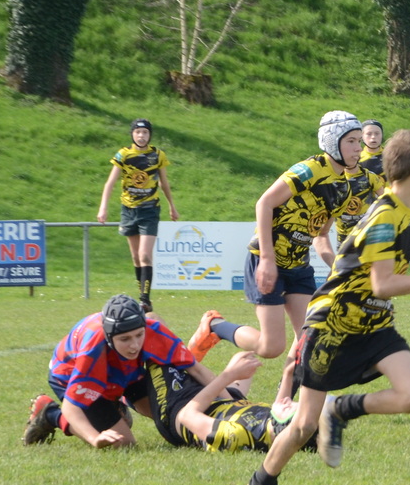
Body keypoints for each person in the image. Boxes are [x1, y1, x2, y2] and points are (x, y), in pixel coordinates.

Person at [233, 130, 410, 485]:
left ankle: (341, 408)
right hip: (333, 324)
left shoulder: (407, 207)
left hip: (373, 323)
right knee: (303, 426)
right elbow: (383, 284)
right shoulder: (385, 217)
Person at [205, 112, 367, 412]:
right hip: (266, 259)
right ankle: (215, 326)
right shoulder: (309, 170)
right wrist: (267, 258)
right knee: (271, 347)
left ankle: (283, 401)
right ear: (332, 142)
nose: (359, 148)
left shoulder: (343, 187)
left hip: (298, 267)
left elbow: (321, 235)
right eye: (351, 141)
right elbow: (264, 203)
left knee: (310, 337)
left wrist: (337, 267)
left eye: (360, 141)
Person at [22, 295, 211, 448]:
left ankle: (114, 403)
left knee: (166, 413)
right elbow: (71, 407)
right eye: (125, 339)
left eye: (139, 335)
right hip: (69, 375)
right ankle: (50, 414)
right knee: (123, 443)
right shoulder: (92, 352)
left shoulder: (153, 330)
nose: (134, 345)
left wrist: (228, 398)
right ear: (109, 337)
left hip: (124, 369)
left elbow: (196, 369)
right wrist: (94, 438)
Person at [141, 351, 300, 452]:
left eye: (290, 408)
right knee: (245, 357)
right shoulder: (274, 427)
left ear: (284, 424)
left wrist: (229, 374)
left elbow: (187, 416)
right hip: (227, 401)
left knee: (155, 345)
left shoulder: (237, 435)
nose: (289, 401)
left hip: (180, 407)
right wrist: (288, 374)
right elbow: (280, 411)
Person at [96, 119, 179, 312]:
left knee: (144, 255)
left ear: (150, 135)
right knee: (135, 257)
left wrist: (172, 206)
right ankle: (142, 295)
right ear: (132, 134)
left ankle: (145, 300)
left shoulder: (157, 155)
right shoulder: (123, 154)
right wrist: (103, 208)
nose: (141, 136)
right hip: (128, 210)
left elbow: (164, 183)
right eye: (138, 132)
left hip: (150, 210)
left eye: (145, 132)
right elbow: (110, 183)